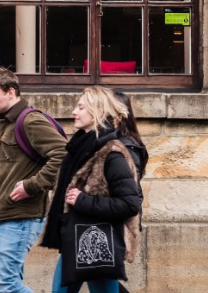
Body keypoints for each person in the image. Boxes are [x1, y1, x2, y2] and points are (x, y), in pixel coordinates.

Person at [41, 86, 144, 293]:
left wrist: (82, 201)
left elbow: (130, 203)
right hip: (74, 240)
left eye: (80, 107)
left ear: (97, 113)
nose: (74, 112)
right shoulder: (78, 149)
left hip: (97, 243)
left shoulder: (111, 154)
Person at [0, 67, 68, 293]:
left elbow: (63, 154)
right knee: (11, 279)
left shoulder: (29, 121)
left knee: (5, 282)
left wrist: (31, 185)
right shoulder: (5, 122)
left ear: (10, 92)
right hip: (10, 214)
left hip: (22, 215)